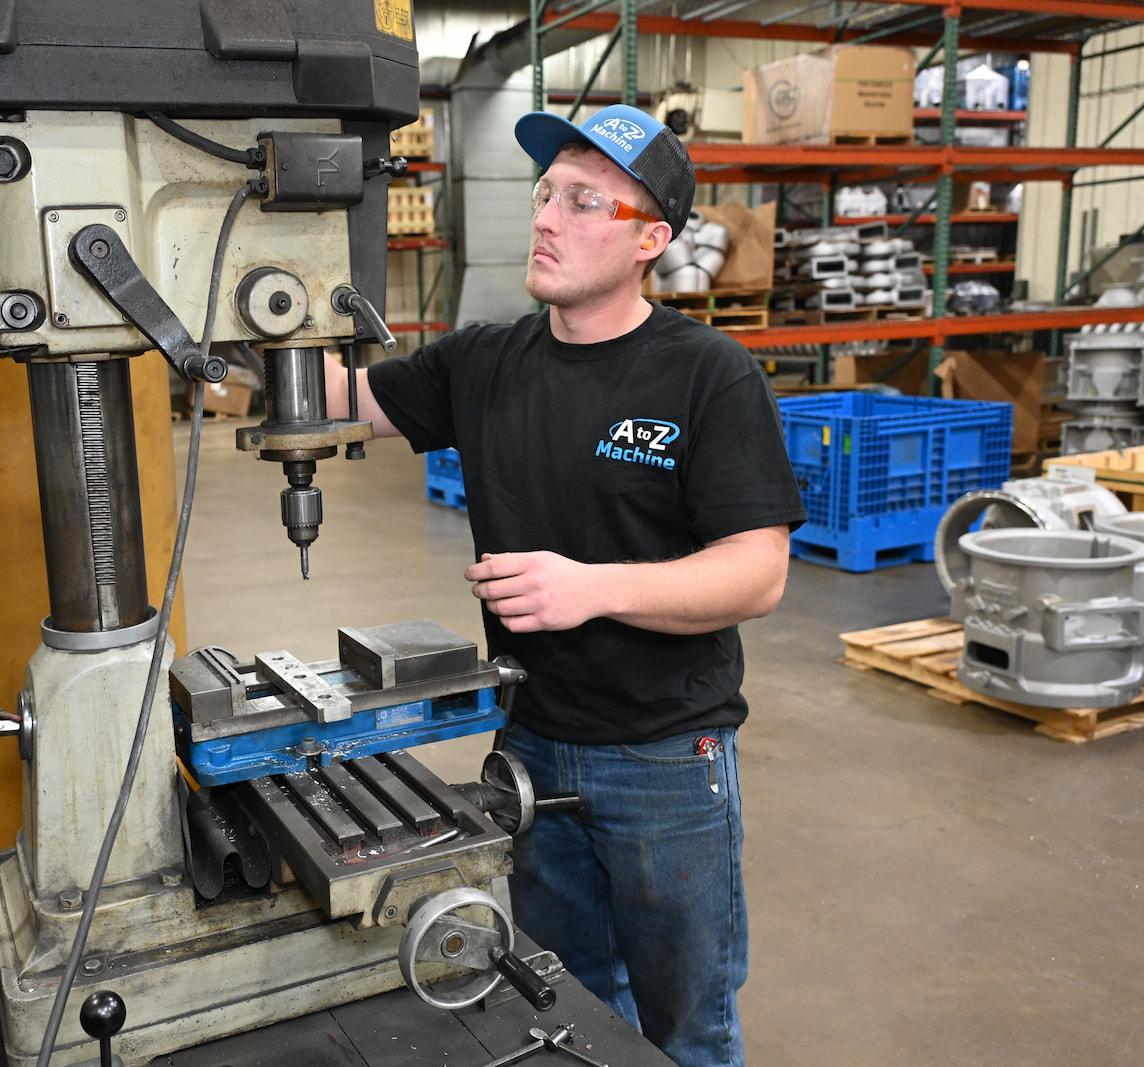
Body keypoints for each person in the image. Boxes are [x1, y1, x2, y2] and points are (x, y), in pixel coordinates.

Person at [324, 104, 806, 1067]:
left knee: (688, 1025)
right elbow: (332, 402)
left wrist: (592, 588)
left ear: (650, 240)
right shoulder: (482, 363)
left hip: (666, 758)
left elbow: (758, 572)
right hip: (531, 749)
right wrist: (251, 314)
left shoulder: (707, 375)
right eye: (546, 193)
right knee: (565, 1005)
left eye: (586, 201)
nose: (546, 217)